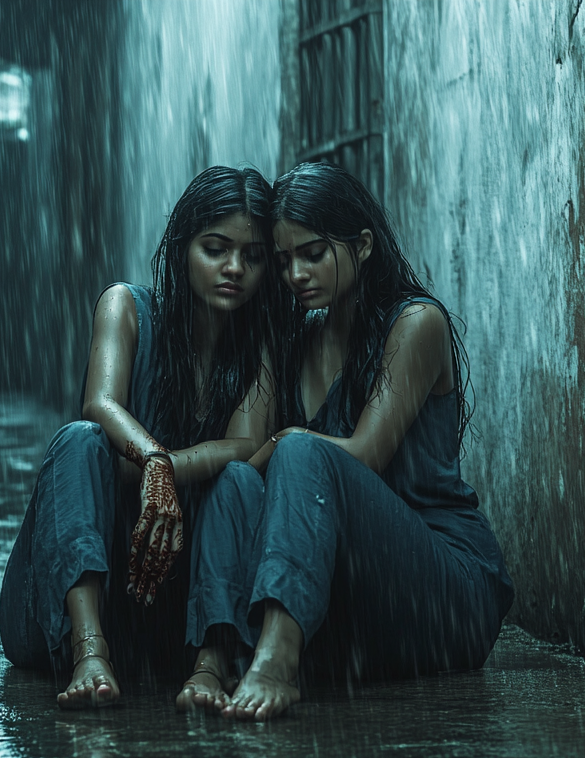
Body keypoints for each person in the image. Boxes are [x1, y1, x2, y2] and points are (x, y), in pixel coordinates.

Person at [182, 162, 516, 720]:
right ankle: (211, 660)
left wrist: (286, 442)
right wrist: (159, 469)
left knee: (298, 449)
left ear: (361, 246)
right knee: (236, 478)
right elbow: (241, 450)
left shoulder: (416, 324)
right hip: (361, 606)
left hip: (443, 597)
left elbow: (364, 455)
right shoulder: (293, 339)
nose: (295, 276)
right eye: (284, 261)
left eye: (313, 254)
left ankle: (275, 666)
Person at [0, 166, 278, 708]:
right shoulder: (125, 308)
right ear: (181, 246)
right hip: (59, 609)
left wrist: (167, 472)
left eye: (254, 256)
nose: (235, 268)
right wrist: (153, 463)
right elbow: (100, 405)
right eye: (215, 249)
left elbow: (246, 446)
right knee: (78, 440)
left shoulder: (261, 343)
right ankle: (88, 650)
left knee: (241, 479)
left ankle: (212, 662)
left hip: (171, 614)